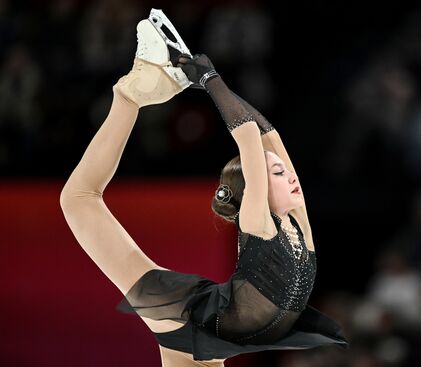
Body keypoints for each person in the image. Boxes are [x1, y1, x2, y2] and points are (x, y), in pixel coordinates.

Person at [60, 11, 348, 367]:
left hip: (214, 331)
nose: (291, 177)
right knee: (77, 199)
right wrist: (210, 79)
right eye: (277, 173)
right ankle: (128, 96)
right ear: (252, 192)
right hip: (190, 320)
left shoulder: (299, 227)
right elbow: (246, 136)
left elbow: (268, 135)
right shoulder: (257, 222)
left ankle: (145, 85)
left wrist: (210, 80)